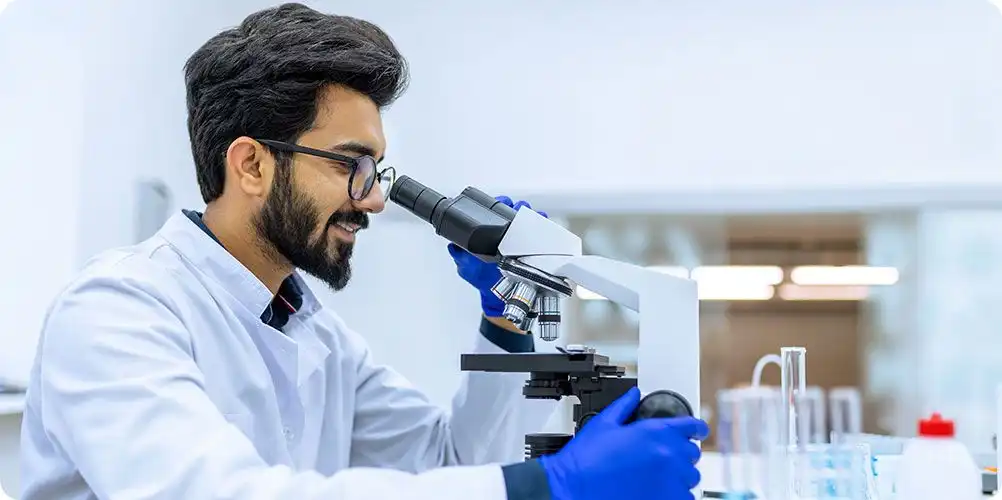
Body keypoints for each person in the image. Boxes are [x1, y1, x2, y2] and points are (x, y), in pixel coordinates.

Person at [18, 3, 709, 500]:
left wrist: (506, 328)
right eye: (352, 165)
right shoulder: (117, 312)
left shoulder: (315, 334)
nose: (373, 199)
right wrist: (548, 486)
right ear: (252, 165)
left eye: (376, 170)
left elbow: (450, 462)